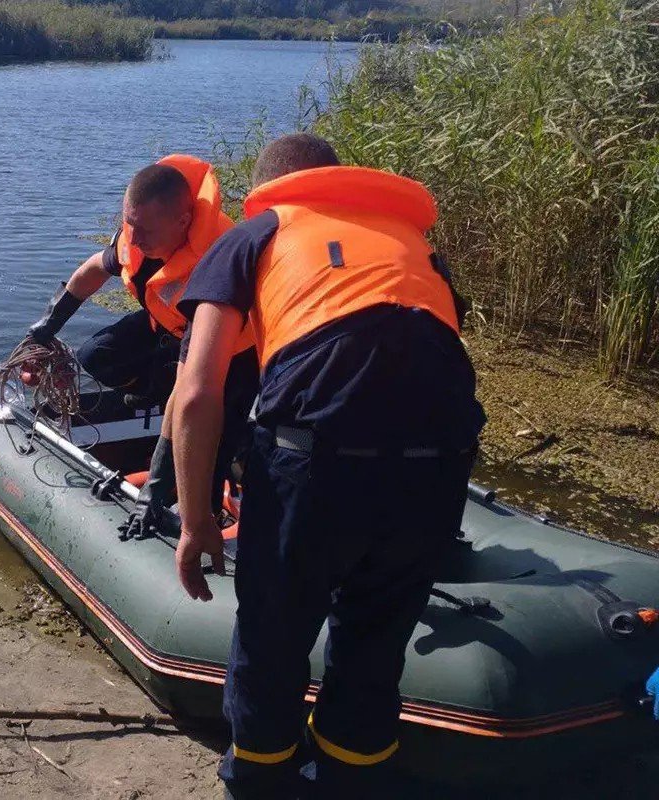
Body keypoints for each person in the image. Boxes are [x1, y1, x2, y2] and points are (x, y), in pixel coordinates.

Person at [169, 133, 486, 799]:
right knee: (374, 650)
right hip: (437, 470)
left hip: (314, 472)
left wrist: (196, 521)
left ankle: (259, 784)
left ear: (269, 188)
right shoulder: (412, 242)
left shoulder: (258, 232)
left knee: (271, 644)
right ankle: (351, 782)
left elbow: (196, 394)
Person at [25, 154, 257, 537]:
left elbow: (190, 388)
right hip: (167, 327)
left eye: (144, 229)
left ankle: (204, 520)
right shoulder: (139, 239)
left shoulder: (214, 269)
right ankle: (154, 397)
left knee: (209, 450)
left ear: (183, 221)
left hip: (230, 357)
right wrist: (44, 330)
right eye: (129, 224)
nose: (134, 237)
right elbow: (91, 271)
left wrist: (155, 489)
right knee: (97, 356)